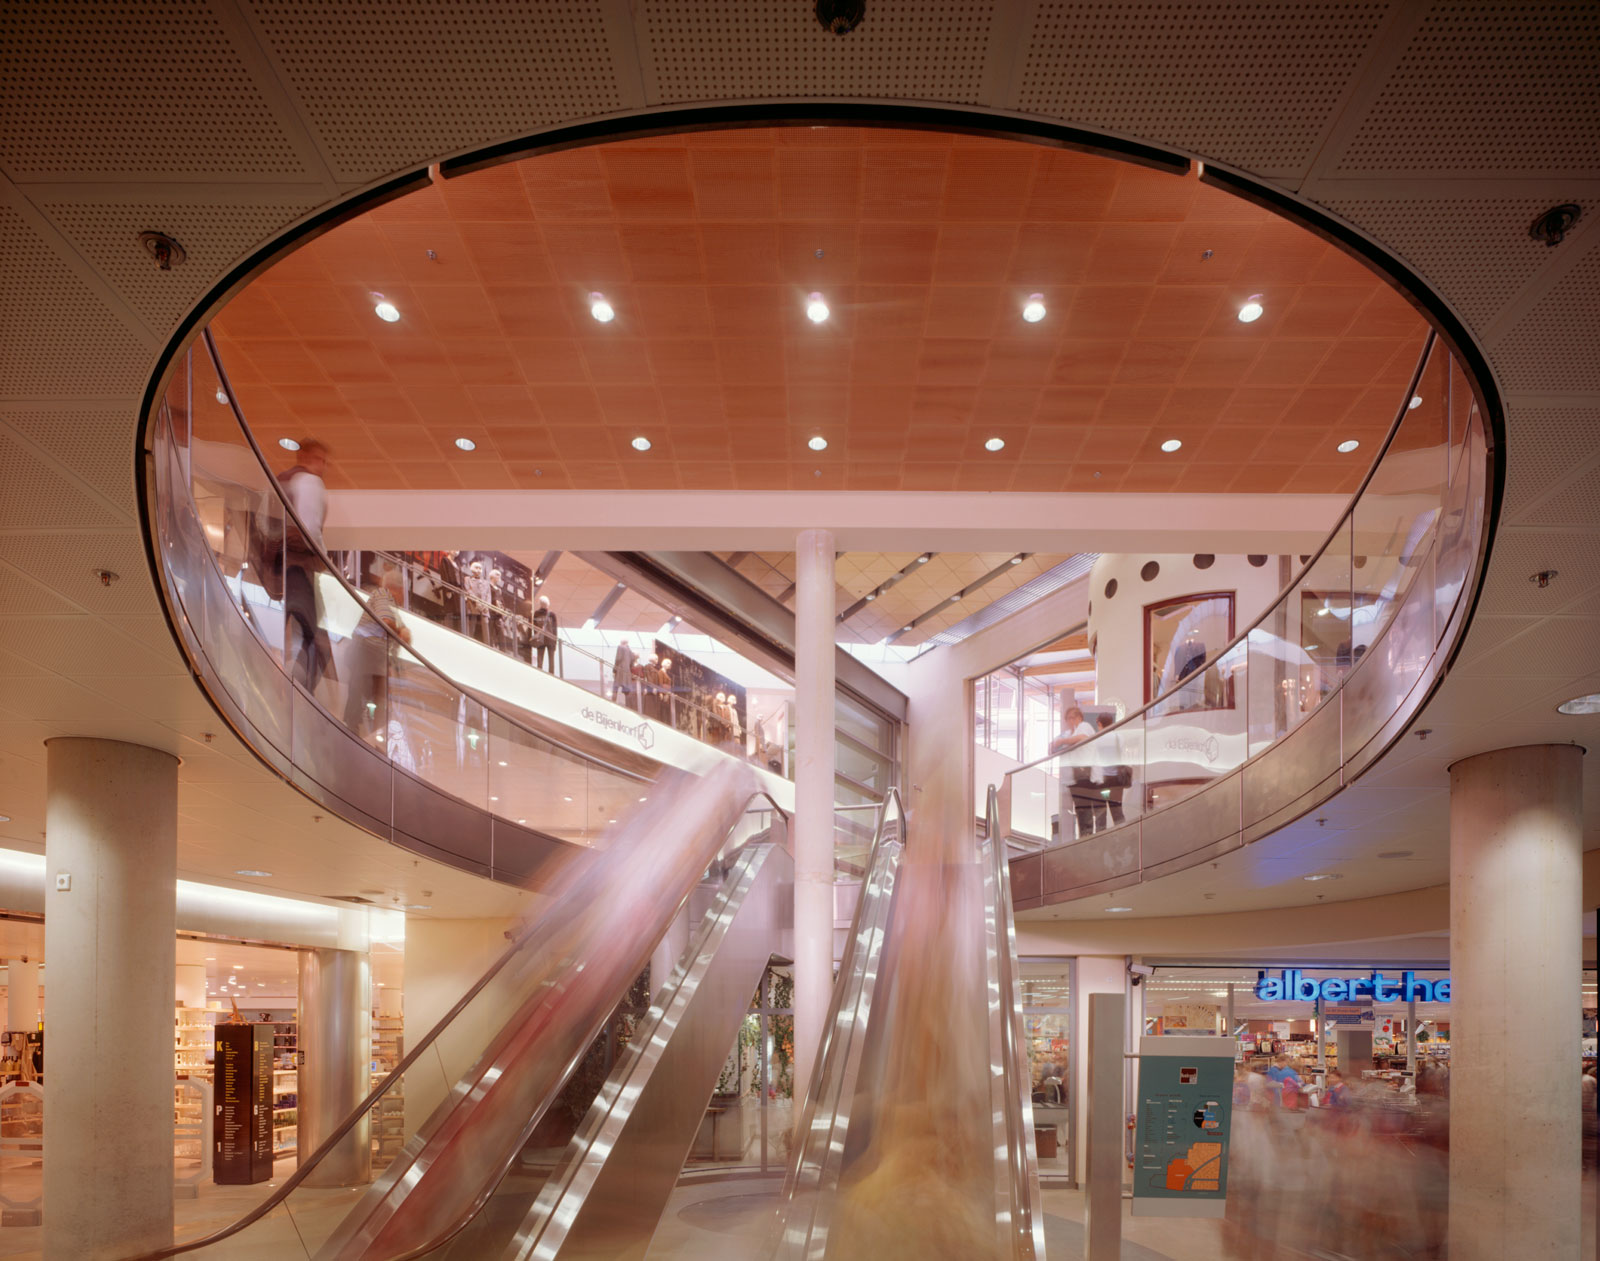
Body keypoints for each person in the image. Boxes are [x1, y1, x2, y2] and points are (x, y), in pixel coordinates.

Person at [279, 439, 330, 691]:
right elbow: (310, 528)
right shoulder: (310, 482)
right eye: (320, 459)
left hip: (280, 569)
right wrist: (325, 560)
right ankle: (298, 693)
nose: (323, 466)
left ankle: (291, 687)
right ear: (307, 457)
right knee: (317, 643)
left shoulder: (283, 481)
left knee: (295, 630)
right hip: (300, 567)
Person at [342, 560, 409, 740]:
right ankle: (355, 730)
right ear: (398, 589)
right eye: (403, 591)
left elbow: (404, 636)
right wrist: (400, 631)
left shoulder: (393, 608)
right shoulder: (382, 594)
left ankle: (370, 733)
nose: (404, 596)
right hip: (366, 652)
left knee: (373, 696)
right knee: (364, 695)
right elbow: (386, 622)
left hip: (372, 657)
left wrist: (402, 632)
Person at [1049, 706, 1098, 839]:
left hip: (1085, 774)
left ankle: (1087, 836)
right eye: (1068, 719)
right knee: (1080, 809)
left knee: (1085, 808)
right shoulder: (1068, 734)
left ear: (1078, 717)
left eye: (1071, 718)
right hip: (1074, 777)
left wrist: (1063, 741)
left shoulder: (1084, 726)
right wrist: (1059, 742)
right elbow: (1053, 746)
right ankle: (1083, 835)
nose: (1069, 721)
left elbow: (1081, 738)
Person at [1093, 712, 1127, 829]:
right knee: (1117, 811)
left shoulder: (1097, 739)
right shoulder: (1119, 737)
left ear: (1100, 723)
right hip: (1116, 780)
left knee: (1100, 814)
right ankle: (1123, 836)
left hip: (1102, 780)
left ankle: (1101, 840)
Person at [464, 559, 491, 644]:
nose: (478, 570)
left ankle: (487, 644)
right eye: (476, 567)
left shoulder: (486, 583)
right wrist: (476, 601)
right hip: (472, 605)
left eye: (480, 568)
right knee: (471, 625)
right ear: (472, 568)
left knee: (485, 625)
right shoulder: (467, 579)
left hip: (484, 608)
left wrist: (487, 605)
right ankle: (468, 641)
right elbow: (468, 590)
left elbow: (488, 595)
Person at [531, 595, 559, 672]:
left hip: (540, 639)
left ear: (540, 603)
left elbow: (535, 627)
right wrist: (555, 642)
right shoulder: (552, 614)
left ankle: (539, 674)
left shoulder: (536, 613)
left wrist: (536, 637)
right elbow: (555, 630)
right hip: (550, 640)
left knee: (540, 661)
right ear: (548, 604)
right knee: (551, 661)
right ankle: (551, 675)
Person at [613, 638, 636, 709]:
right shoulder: (630, 651)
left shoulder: (620, 647)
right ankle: (628, 707)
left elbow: (618, 659)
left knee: (615, 688)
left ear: (621, 642)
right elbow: (632, 661)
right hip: (627, 671)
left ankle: (612, 704)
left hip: (620, 670)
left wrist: (614, 669)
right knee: (626, 690)